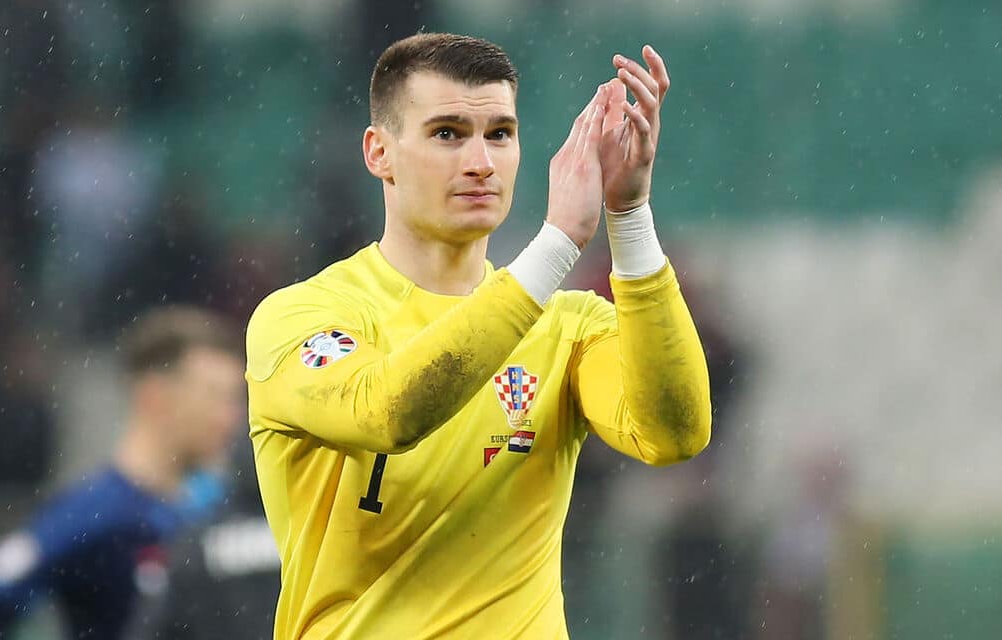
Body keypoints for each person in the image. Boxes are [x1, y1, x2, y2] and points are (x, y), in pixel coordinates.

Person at [245, 32, 712, 639]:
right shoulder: (302, 317)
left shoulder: (568, 328)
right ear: (378, 152)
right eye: (447, 134)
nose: (481, 163)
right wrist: (557, 244)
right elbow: (387, 413)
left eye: (500, 134)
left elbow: (675, 435)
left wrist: (628, 215)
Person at [0, 306, 246, 639]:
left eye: (235, 401)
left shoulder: (223, 511)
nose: (230, 418)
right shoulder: (90, 514)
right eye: (215, 397)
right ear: (155, 396)